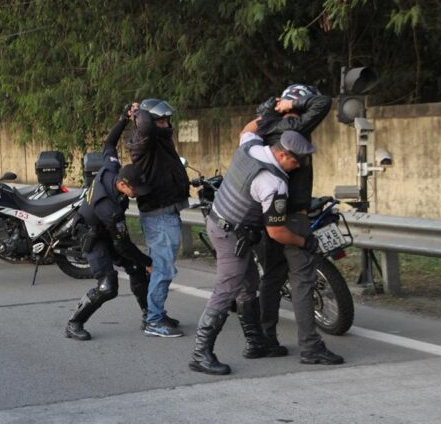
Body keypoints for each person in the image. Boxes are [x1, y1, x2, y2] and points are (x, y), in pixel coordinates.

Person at [189, 125, 318, 375]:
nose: (300, 166)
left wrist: (268, 113)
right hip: (230, 235)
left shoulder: (249, 147)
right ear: (283, 155)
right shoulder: (273, 182)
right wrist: (304, 242)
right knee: (226, 290)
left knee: (248, 285)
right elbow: (276, 232)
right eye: (298, 160)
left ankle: (257, 344)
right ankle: (200, 354)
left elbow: (248, 128)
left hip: (221, 223)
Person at [254, 84, 344, 365]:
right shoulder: (294, 128)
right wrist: (292, 105)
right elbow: (323, 101)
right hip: (293, 214)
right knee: (302, 280)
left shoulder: (265, 127)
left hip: (267, 212)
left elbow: (258, 115)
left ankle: (266, 338)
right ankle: (310, 347)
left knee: (271, 277)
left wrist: (273, 105)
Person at [65, 112, 154, 341]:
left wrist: (125, 118)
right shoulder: (109, 207)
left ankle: (150, 316)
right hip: (93, 237)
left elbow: (109, 143)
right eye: (134, 191)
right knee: (108, 287)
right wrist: (148, 262)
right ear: (123, 185)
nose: (136, 195)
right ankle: (74, 323)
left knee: (137, 269)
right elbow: (123, 245)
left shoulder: (110, 168)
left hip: (105, 230)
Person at [126, 99, 190, 338]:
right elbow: (147, 128)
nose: (165, 125)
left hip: (166, 210)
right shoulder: (146, 142)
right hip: (159, 214)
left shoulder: (159, 142)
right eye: (160, 121)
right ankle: (153, 320)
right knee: (163, 269)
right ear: (148, 123)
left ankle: (157, 313)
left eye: (166, 120)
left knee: (162, 267)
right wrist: (139, 113)